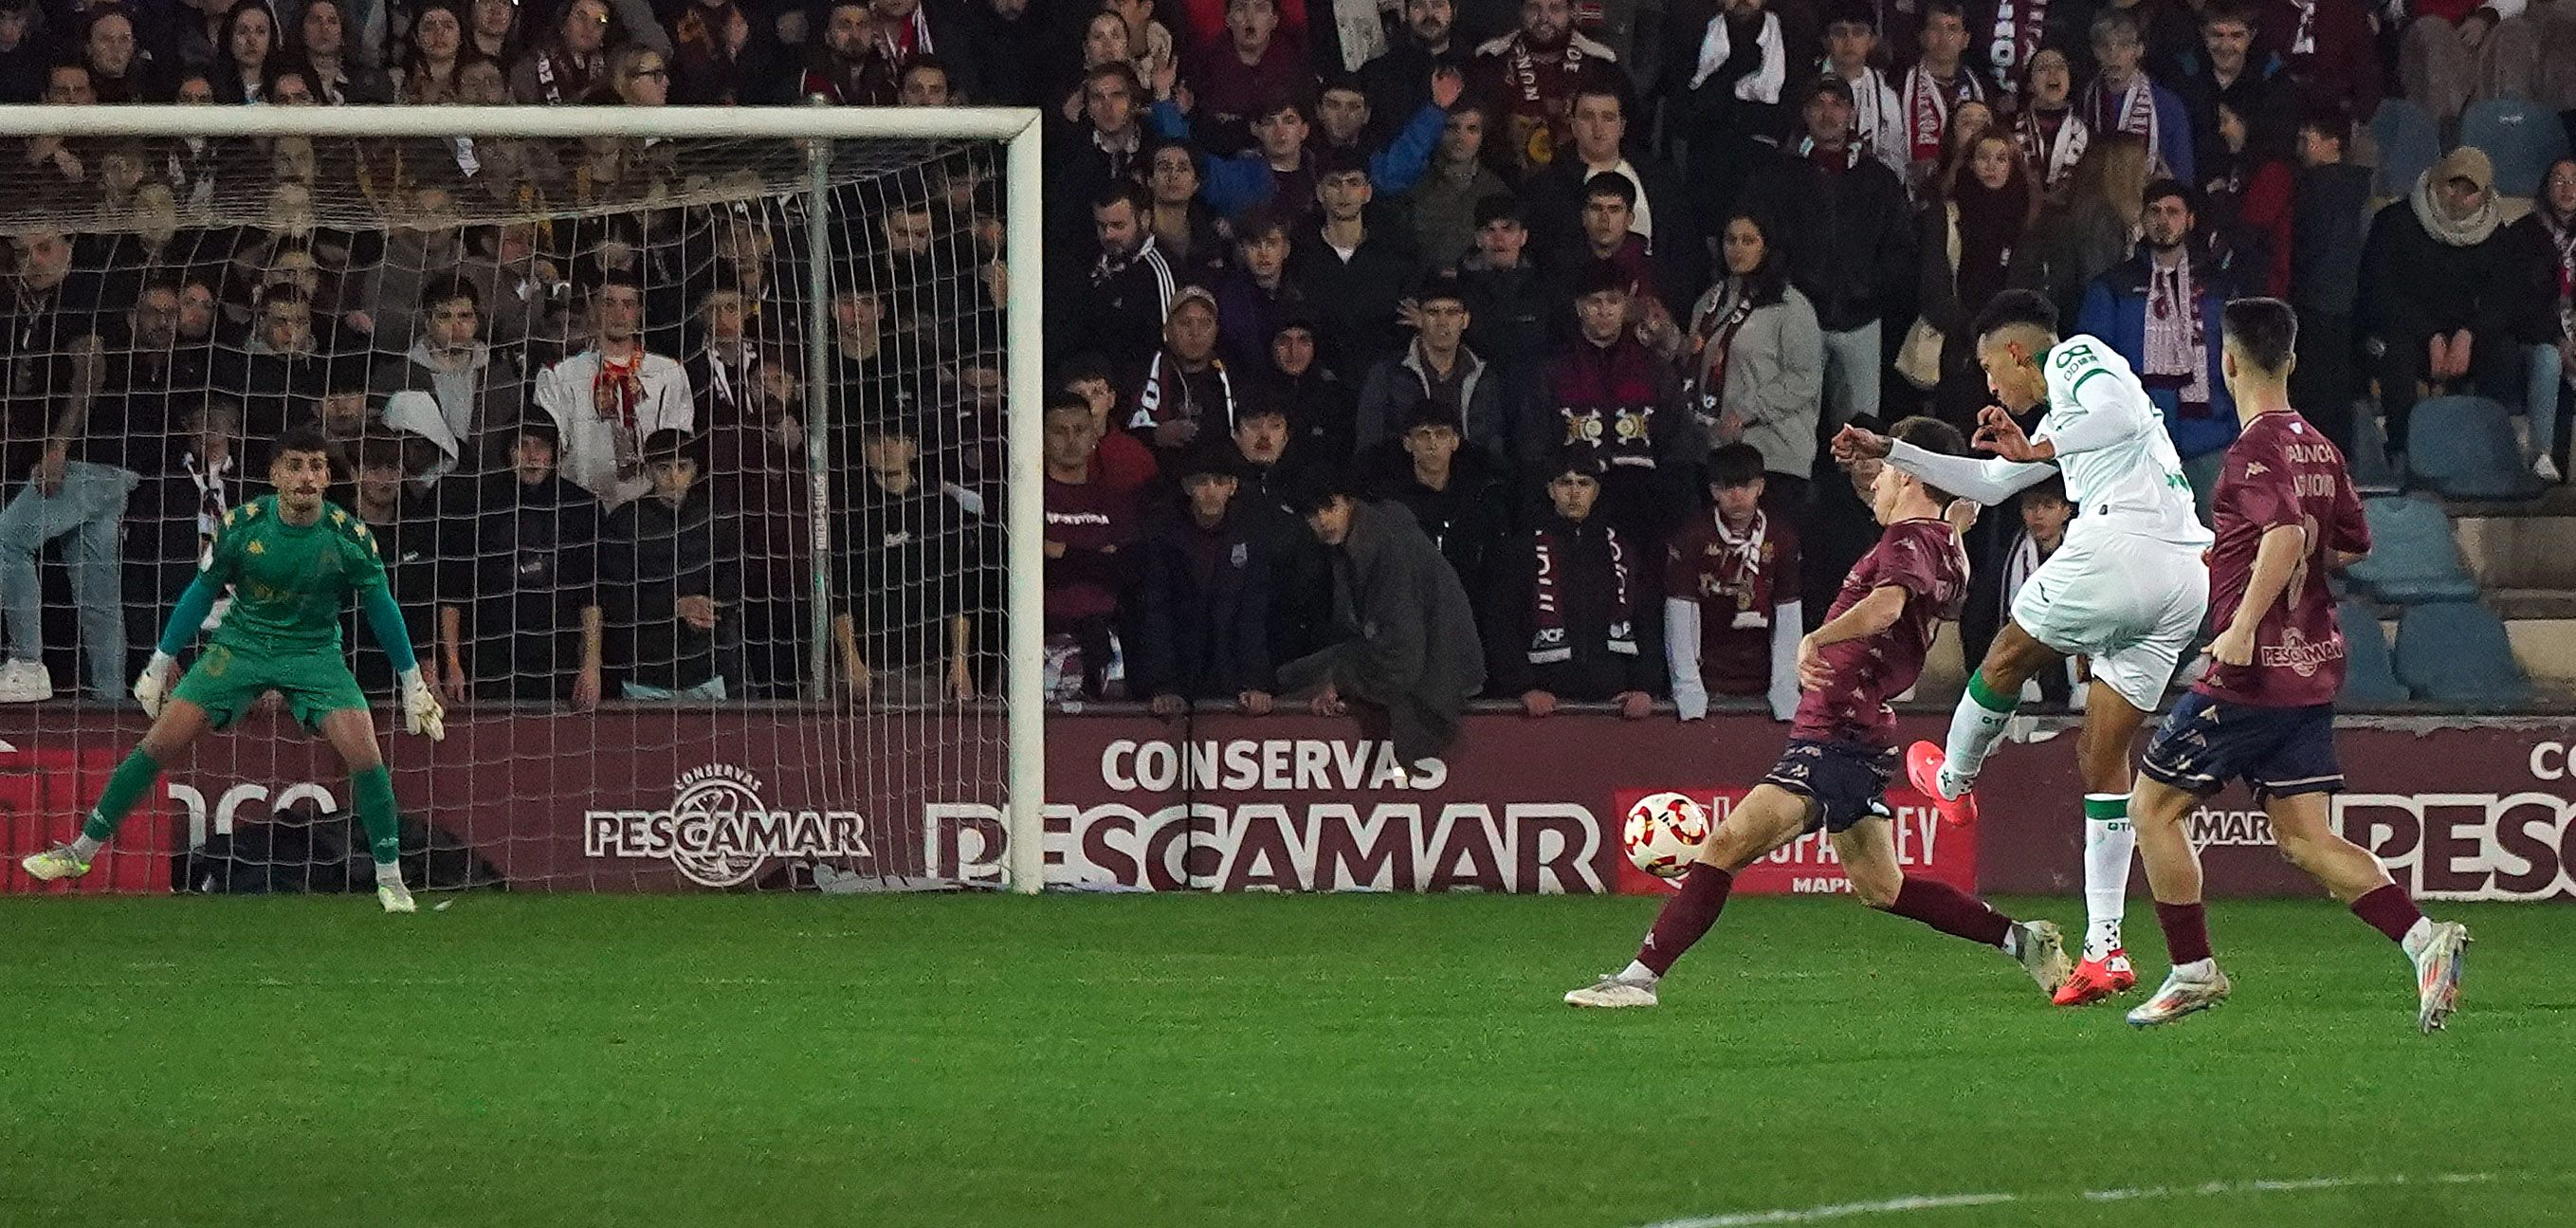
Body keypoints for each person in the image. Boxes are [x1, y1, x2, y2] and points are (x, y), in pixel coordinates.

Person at [1564, 415, 2073, 1009]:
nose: (1873, 486)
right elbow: (1944, 561)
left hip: (1839, 732)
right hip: (1860, 731)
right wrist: (1957, 519)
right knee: (1884, 887)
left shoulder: (1907, 540)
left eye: (1882, 473)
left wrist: (1816, 640)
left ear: (1909, 476)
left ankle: (1638, 978)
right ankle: (2022, 941)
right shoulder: (1944, 545)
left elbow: (1884, 608)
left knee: (1726, 845)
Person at [1833, 287, 2213, 1008]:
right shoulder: (2070, 414)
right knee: (2101, 758)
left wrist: (2038, 444)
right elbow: (1991, 479)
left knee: (2004, 652)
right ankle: (2106, 950)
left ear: (2013, 352)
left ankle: (1951, 781)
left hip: (2122, 545)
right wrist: (1892, 449)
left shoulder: (2075, 358)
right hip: (2178, 580)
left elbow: (2118, 412)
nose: (1989, 385)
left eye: (1985, 368)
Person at [2123, 297, 2469, 1031]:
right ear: (2292, 358)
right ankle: (2423, 939)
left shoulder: (2251, 451)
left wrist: (2243, 622)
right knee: (2304, 839)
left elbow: (2283, 537)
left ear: (2226, 362)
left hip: (2251, 676)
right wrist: (2245, 554)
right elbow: (2347, 545)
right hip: (2311, 666)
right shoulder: (2317, 443)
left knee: (2150, 808)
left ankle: (2192, 969)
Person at [21, 426, 445, 913]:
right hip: (240, 646)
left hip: (313, 653)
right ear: (274, 474)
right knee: (160, 742)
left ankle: (390, 880)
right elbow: (201, 592)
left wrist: (413, 682)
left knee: (365, 753)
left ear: (328, 476)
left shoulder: (351, 538)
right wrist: (160, 662)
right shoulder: (241, 525)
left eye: (315, 466)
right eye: (295, 466)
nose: (305, 477)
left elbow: (383, 609)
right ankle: (80, 852)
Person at [1277, 472, 1485, 772]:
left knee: (1300, 679)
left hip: (1435, 677)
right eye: (1313, 513)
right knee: (1293, 677)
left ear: (1349, 502)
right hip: (1431, 666)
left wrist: (1339, 682)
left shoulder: (1385, 546)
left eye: (1329, 508)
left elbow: (1401, 657)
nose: (1323, 520)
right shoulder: (1363, 540)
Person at [1744, 76, 1913, 438]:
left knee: (1862, 435)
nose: (1828, 113)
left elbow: (1899, 247)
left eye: (1837, 104)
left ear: (1851, 113)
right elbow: (1759, 239)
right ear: (1805, 113)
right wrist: (1787, 292)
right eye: (1818, 104)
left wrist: (1871, 290)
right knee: (1790, 428)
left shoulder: (1879, 179)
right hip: (1795, 316)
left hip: (1861, 321)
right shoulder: (1776, 175)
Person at [2076, 179, 2239, 517]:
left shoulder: (2220, 287)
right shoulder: (2112, 286)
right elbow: (2092, 367)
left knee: (2216, 552)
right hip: (2137, 446)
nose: (2163, 220)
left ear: (2190, 219)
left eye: (2173, 211)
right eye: (2154, 211)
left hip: (2210, 440)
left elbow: (2242, 360)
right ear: (2142, 218)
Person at [2358, 147, 2525, 463]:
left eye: (2470, 190)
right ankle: (2405, 453)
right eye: (2452, 185)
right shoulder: (2394, 223)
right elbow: (2380, 292)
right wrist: (2430, 335)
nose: (2459, 197)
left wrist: (2467, 334)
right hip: (2406, 333)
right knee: (2395, 356)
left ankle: (2486, 454)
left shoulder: (2497, 237)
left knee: (2503, 354)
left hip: (2465, 341)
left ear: (2485, 195)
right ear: (2436, 181)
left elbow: (2502, 297)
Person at [437, 416, 606, 708]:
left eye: (541, 446)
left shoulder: (580, 506)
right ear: (508, 453)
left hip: (557, 658)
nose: (531, 457)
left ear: (555, 453)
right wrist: (452, 663)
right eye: (522, 446)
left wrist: (591, 666)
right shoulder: (478, 503)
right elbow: (453, 594)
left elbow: (591, 597)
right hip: (489, 659)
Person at [1654, 211, 1822, 504]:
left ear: (1766, 248)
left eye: (1748, 241)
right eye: (1730, 240)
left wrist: (1745, 410)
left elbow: (1804, 379)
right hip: (1713, 455)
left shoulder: (1791, 306)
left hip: (1773, 456)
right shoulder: (1709, 302)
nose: (1737, 249)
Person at [1484, 449, 1655, 717]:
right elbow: (1500, 623)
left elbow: (1646, 620)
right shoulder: (1522, 549)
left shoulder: (1623, 550)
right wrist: (1523, 686)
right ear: (1551, 490)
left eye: (1584, 483)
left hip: (1615, 699)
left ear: (1596, 492)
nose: (1574, 492)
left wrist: (1644, 686)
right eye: (1565, 483)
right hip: (1544, 699)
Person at [836, 414, 980, 705]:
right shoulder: (849, 509)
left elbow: (957, 592)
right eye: (876, 441)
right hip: (867, 662)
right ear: (864, 448)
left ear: (913, 449)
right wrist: (851, 659)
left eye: (897, 440)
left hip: (926, 662)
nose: (886, 448)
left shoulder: (940, 507)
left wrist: (960, 662)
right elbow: (840, 591)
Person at [1132, 439, 1277, 717]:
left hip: (1230, 681)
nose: (1211, 491)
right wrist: (1163, 686)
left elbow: (1253, 617)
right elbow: (1156, 617)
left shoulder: (1250, 538)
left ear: (1233, 486)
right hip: (1179, 680)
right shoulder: (1162, 540)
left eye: (1220, 481)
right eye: (1202, 482)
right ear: (1187, 487)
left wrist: (1255, 683)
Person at [534, 271, 694, 509]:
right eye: (609, 303)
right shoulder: (559, 375)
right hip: (581, 507)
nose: (619, 314)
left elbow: (680, 451)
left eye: (628, 305)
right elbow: (548, 448)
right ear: (593, 308)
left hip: (651, 510)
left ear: (640, 311)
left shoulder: (670, 374)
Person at [1665, 443, 1801, 722]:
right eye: (1727, 488)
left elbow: (1788, 615)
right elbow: (1679, 614)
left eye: (1746, 486)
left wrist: (1785, 690)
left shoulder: (1782, 537)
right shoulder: (1692, 536)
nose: (1737, 496)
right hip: (1709, 678)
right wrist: (1688, 688)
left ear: (1760, 487)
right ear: (1714, 491)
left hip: (1763, 676)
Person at [600, 430, 729, 702]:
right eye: (663, 468)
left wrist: (708, 607)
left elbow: (733, 581)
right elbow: (615, 599)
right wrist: (675, 607)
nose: (673, 477)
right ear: (648, 471)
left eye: (682, 467)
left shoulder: (716, 517)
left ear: (695, 469)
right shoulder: (625, 522)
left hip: (707, 667)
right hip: (645, 673)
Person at [1354, 270, 1509, 457]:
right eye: (1433, 312)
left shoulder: (1484, 376)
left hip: (1468, 478)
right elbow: (1369, 445)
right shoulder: (1387, 373)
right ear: (1420, 318)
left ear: (1465, 320)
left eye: (1452, 312)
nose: (1442, 322)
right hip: (1401, 478)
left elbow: (1493, 444)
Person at [1469, 0, 1621, 181]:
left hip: (1582, 188)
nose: (1544, 18)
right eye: (1534, 7)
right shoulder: (1491, 61)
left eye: (1555, 8)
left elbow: (1628, 136)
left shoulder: (1600, 64)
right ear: (1521, 10)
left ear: (1572, 12)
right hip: (1503, 186)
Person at [2510, 157, 2576, 483]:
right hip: (2536, 341)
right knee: (2550, 359)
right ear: (2546, 188)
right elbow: (2521, 305)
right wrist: (2559, 340)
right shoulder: (2524, 234)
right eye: (2560, 181)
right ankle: (2541, 456)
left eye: (2575, 181)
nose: (2568, 189)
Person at [2081, 8, 2195, 185]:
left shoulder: (2166, 105)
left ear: (2139, 50)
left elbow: (2183, 179)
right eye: (2105, 46)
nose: (2114, 55)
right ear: (2095, 51)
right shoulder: (2085, 100)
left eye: (2124, 46)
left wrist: (2167, 182)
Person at [2014, 46, 2091, 193]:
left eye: (2060, 67)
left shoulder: (2085, 129)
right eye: (2043, 68)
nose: (2053, 73)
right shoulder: (2012, 125)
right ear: (2029, 83)